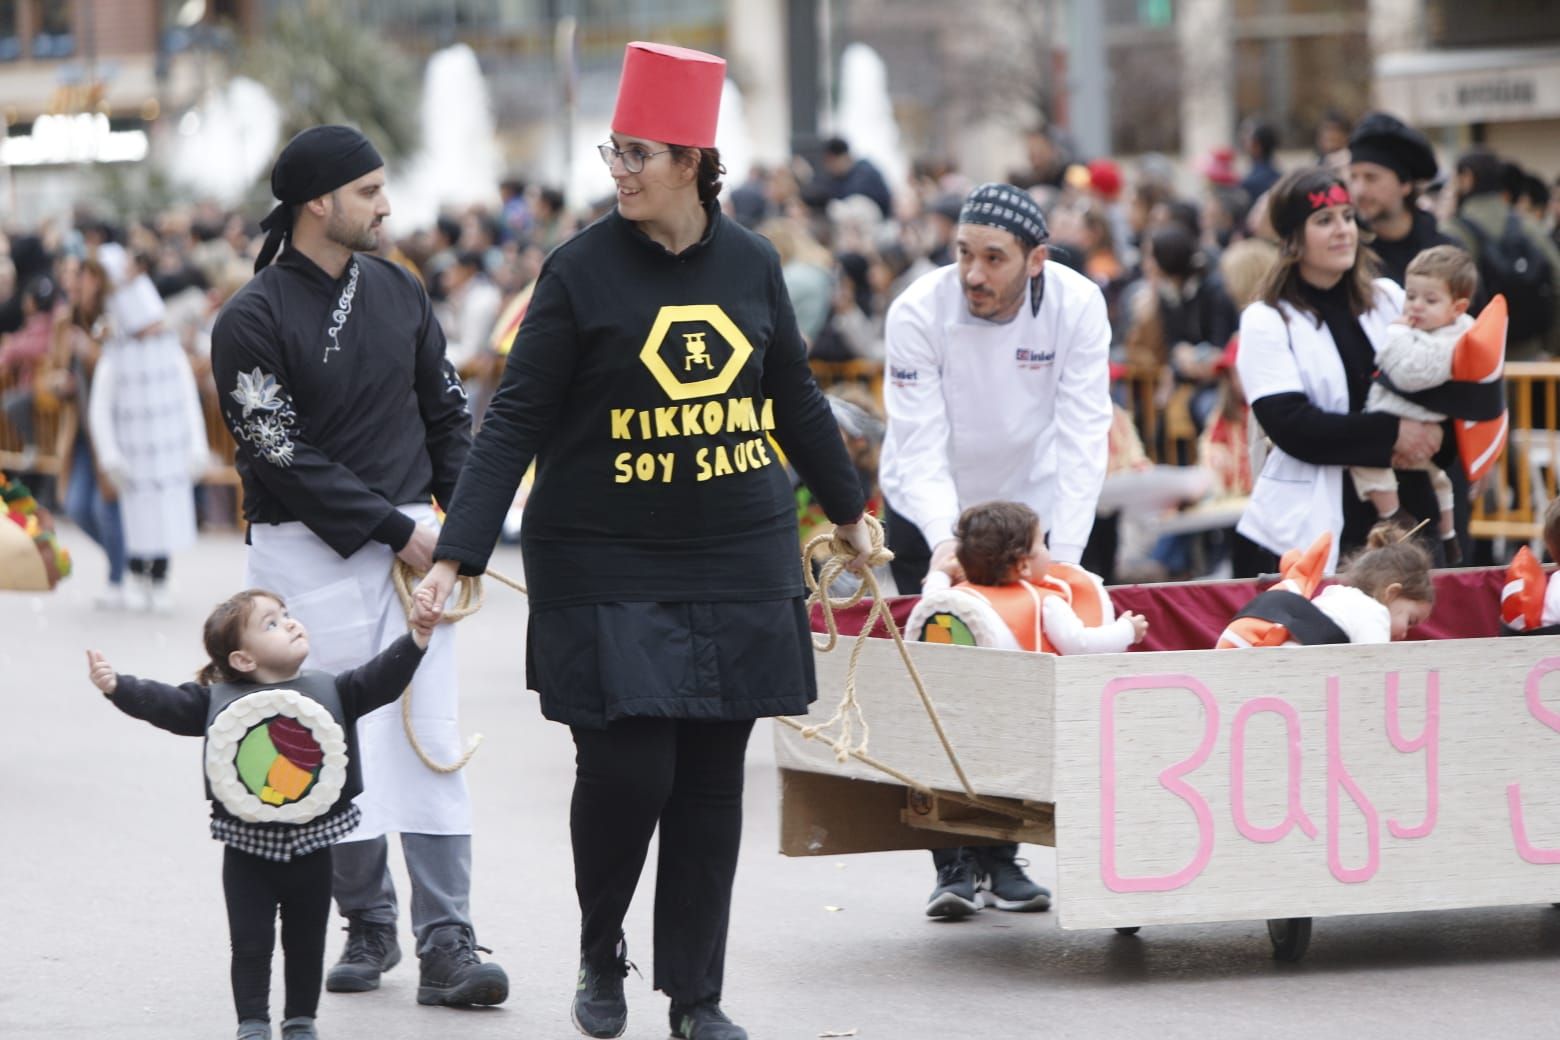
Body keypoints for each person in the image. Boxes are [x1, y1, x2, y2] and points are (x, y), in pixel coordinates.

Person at [412, 42, 873, 1040]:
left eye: (639, 152)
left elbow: (792, 395)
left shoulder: (751, 263)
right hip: (604, 555)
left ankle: (696, 994)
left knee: (710, 781)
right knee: (631, 772)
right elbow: (515, 420)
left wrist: (848, 505)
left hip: (739, 546)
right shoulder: (575, 272)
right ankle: (598, 942)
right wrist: (455, 554)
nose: (618, 168)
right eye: (612, 149)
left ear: (694, 159)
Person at [209, 125, 508, 1008]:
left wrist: (463, 532)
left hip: (416, 547)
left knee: (429, 735)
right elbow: (278, 456)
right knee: (326, 737)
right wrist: (394, 528)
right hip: (309, 555)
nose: (386, 205)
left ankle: (448, 938)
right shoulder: (250, 318)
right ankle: (366, 922)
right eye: (371, 190)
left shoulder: (400, 289)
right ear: (319, 203)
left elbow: (447, 417)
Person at [88, 588, 435, 1040]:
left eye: (287, 615)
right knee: (250, 943)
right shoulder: (215, 702)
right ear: (243, 660)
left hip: (312, 848)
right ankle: (252, 1021)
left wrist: (417, 637)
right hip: (246, 850)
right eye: (271, 623)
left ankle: (300, 1020)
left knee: (306, 942)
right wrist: (118, 687)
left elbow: (380, 679)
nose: (290, 623)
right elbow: (167, 705)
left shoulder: (333, 690)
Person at [906, 500, 1146, 917]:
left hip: (961, 722)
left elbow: (930, 598)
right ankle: (965, 871)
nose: (1049, 554)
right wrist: (1127, 629)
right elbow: (1081, 643)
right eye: (1042, 545)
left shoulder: (949, 597)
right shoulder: (1046, 602)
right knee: (999, 791)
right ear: (1020, 565)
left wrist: (941, 571)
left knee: (961, 785)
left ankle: (980, 869)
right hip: (1009, 724)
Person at [878, 182, 1113, 595]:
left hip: (1027, 505)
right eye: (964, 253)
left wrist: (1066, 557)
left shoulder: (1077, 304)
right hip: (924, 507)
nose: (973, 274)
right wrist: (944, 541)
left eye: (994, 258)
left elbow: (1084, 432)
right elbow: (918, 440)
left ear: (1036, 259)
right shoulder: (916, 311)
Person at [1233, 168, 1451, 577]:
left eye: (1348, 217)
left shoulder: (1389, 298)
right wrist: (1393, 434)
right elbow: (1291, 423)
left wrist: (1441, 433)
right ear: (1292, 237)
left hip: (1410, 512)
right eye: (1324, 220)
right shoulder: (1267, 319)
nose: (1342, 231)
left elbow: (1444, 372)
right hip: (1320, 524)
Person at [87, 243, 207, 611]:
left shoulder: (170, 355)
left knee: (166, 513)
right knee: (136, 515)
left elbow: (189, 400)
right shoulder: (115, 360)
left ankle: (160, 575)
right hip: (132, 450)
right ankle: (136, 573)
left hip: (168, 449)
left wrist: (197, 446)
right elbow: (100, 409)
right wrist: (109, 455)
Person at [1349, 245, 1476, 562]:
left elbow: (1407, 373)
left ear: (1457, 307)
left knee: (1366, 465)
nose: (1416, 307)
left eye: (1430, 301)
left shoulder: (1439, 340)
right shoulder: (1455, 332)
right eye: (1411, 297)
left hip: (1402, 420)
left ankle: (1392, 514)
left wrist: (1395, 334)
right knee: (1440, 483)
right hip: (1416, 428)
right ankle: (1448, 535)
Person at [1221, 523, 1434, 646]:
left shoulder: (1333, 597)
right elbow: (1376, 672)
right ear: (1391, 592)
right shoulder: (1374, 613)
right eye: (1410, 620)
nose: (1406, 634)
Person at [1442, 149, 1560, 360]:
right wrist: (1551, 346)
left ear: (1467, 178)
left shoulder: (1453, 230)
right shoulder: (1528, 226)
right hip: (1530, 353)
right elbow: (1556, 279)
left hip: (1473, 356)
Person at [1347, 112, 1457, 287]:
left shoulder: (1446, 255)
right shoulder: (1347, 254)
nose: (1359, 190)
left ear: (1405, 184)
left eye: (1371, 178)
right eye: (1353, 177)